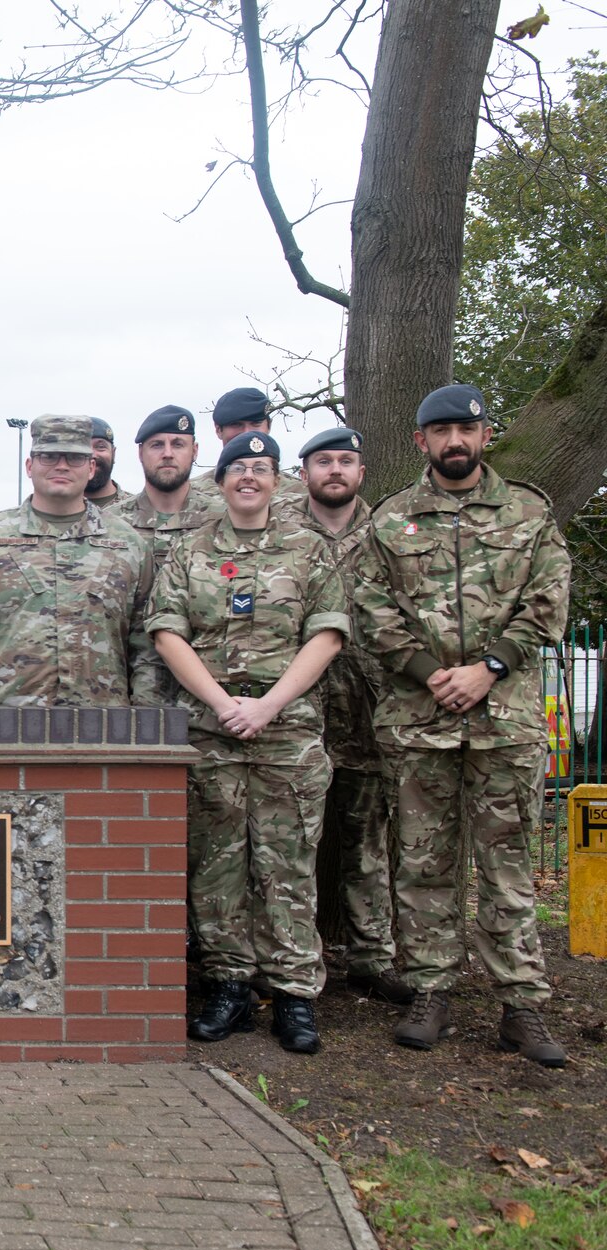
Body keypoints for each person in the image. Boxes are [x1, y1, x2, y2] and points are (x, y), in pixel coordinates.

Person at [355, 384, 571, 1066]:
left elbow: (547, 600)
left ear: (485, 436)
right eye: (441, 430)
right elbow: (371, 610)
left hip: (503, 722)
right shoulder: (391, 521)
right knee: (423, 863)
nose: (455, 440)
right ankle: (431, 991)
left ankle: (521, 1003)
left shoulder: (528, 512)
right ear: (421, 440)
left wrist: (490, 667)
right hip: (420, 723)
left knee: (506, 863)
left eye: (466, 430)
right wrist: (430, 672)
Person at [148, 430, 346, 1054]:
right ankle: (229, 986)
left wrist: (269, 705)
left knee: (288, 865)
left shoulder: (310, 551)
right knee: (217, 865)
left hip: (286, 732)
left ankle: (293, 994)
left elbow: (327, 636)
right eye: (239, 468)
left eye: (262, 469)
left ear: (277, 481)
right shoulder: (189, 554)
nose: (249, 478)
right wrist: (221, 702)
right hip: (212, 730)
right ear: (222, 479)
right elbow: (167, 633)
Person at [276, 427, 410, 1005]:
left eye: (346, 461)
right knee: (290, 848)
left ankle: (371, 958)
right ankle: (287, 961)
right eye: (323, 461)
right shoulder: (281, 533)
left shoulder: (389, 534)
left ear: (361, 473)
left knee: (366, 842)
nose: (335, 470)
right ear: (304, 472)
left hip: (368, 714)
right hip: (293, 715)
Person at [0, 415, 163, 707]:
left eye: (75, 458)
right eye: (49, 456)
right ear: (30, 466)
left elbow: (146, 644)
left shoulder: (128, 544)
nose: (61, 466)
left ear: (91, 468)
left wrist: (148, 720)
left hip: (101, 728)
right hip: (3, 724)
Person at [123, 405, 220, 563]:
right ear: (140, 453)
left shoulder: (220, 520)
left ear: (194, 451)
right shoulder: (112, 523)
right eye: (157, 445)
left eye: (178, 444)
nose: (167, 454)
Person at [84, 417, 126, 507]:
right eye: (84, 447)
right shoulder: (53, 509)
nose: (92, 455)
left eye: (100, 446)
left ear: (113, 453)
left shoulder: (141, 511)